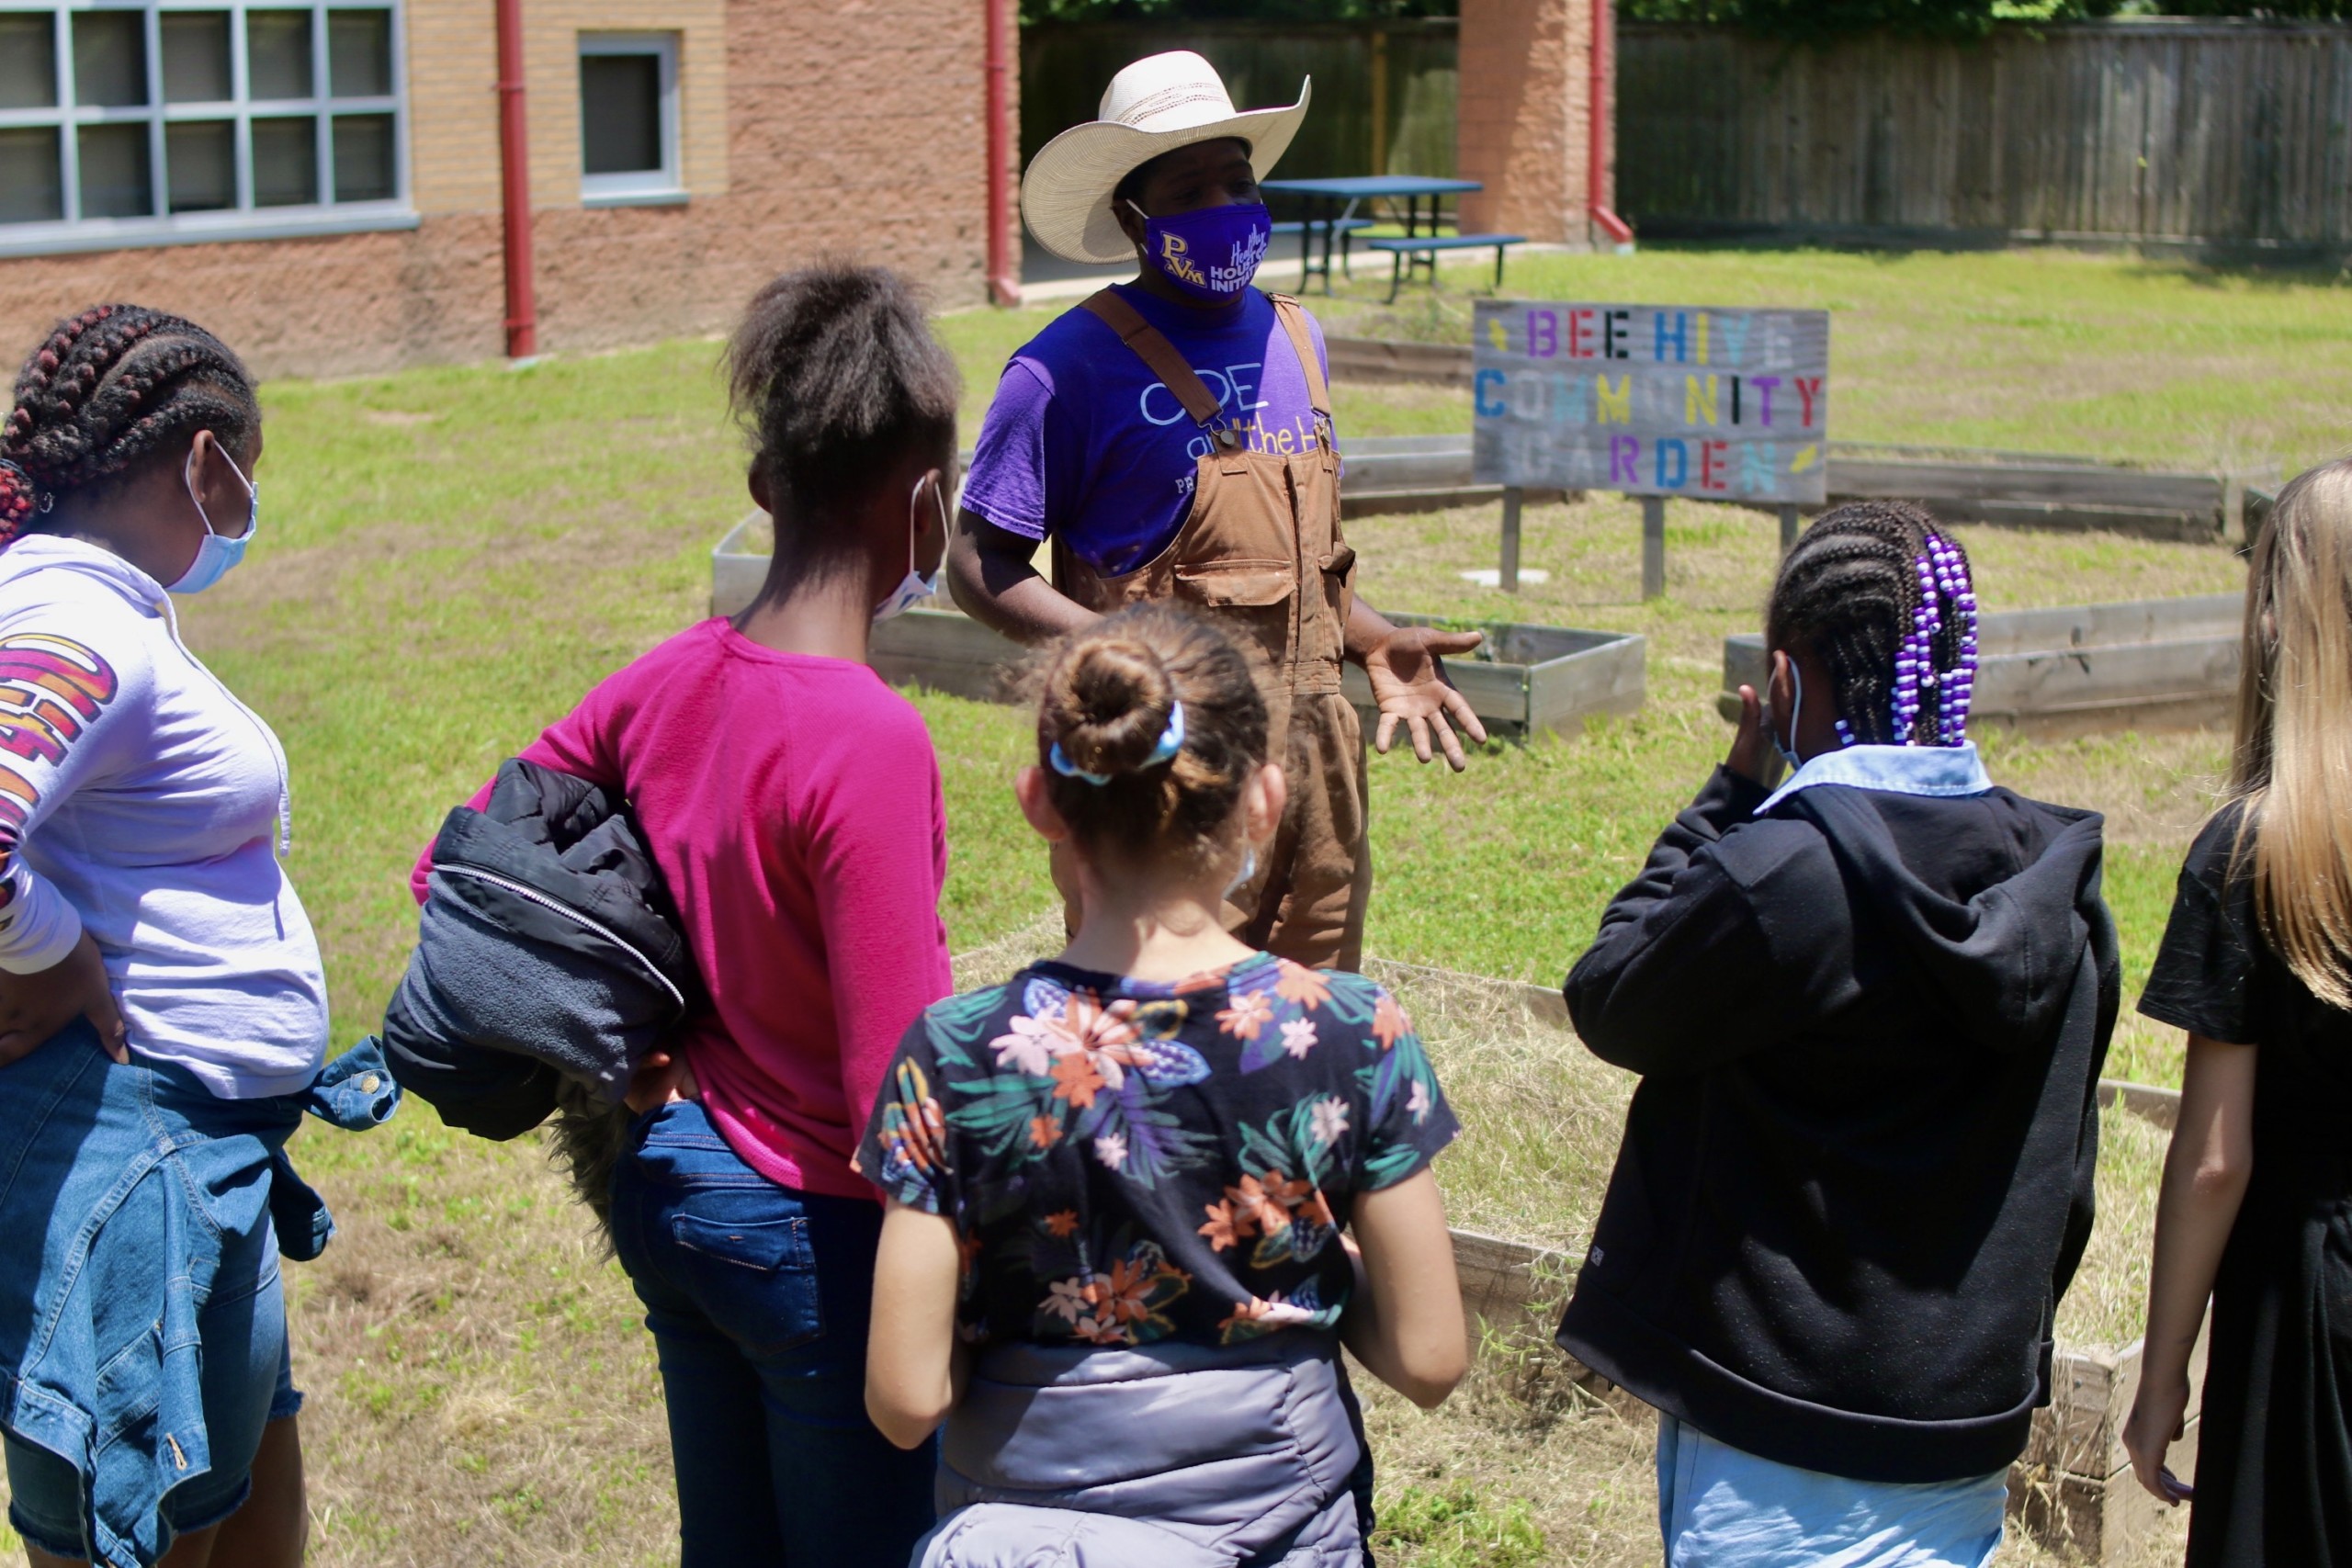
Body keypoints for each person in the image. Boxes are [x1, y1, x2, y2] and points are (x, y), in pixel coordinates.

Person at [413, 265, 956, 1565]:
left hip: (670, 1185)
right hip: (811, 1235)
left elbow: (458, 869)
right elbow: (900, 1091)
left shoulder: (664, 676)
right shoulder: (871, 736)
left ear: (764, 489)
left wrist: (613, 1035)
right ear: (927, 512)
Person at [1556, 502, 2118, 1568]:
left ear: (1783, 679)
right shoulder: (2057, 878)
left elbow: (1611, 995)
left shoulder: (1781, 874)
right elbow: (2067, 1171)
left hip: (1778, 1417)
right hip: (1956, 1424)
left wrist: (1731, 791)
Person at [859, 604, 1467, 1565]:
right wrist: (1312, 1262)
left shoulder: (952, 1051)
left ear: (1038, 801)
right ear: (1266, 798)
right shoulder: (1353, 1033)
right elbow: (1431, 1360)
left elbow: (904, 1400)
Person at [0, 306, 398, 1568]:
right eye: (244, 480)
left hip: (198, 1155)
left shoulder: (102, 606)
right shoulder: (72, 617)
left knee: (243, 1499)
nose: (242, 514)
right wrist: (56, 946)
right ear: (200, 458)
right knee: (148, 1533)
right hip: (141, 1160)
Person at [949, 50, 1488, 975]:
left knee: (1302, 1030)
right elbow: (976, 563)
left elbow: (1279, 564)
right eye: (1188, 189)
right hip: (1158, 781)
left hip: (1316, 770)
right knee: (1156, 1055)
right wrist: (1124, 664)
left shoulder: (1297, 337)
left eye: (1235, 181)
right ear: (1130, 215)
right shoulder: (1062, 370)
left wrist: (1371, 638)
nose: (1221, 207)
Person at [2122, 459, 2352, 1562]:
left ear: (2278, 616)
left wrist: (2163, 1373)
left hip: (2302, 1309)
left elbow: (2214, 1160)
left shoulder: (2258, 851)